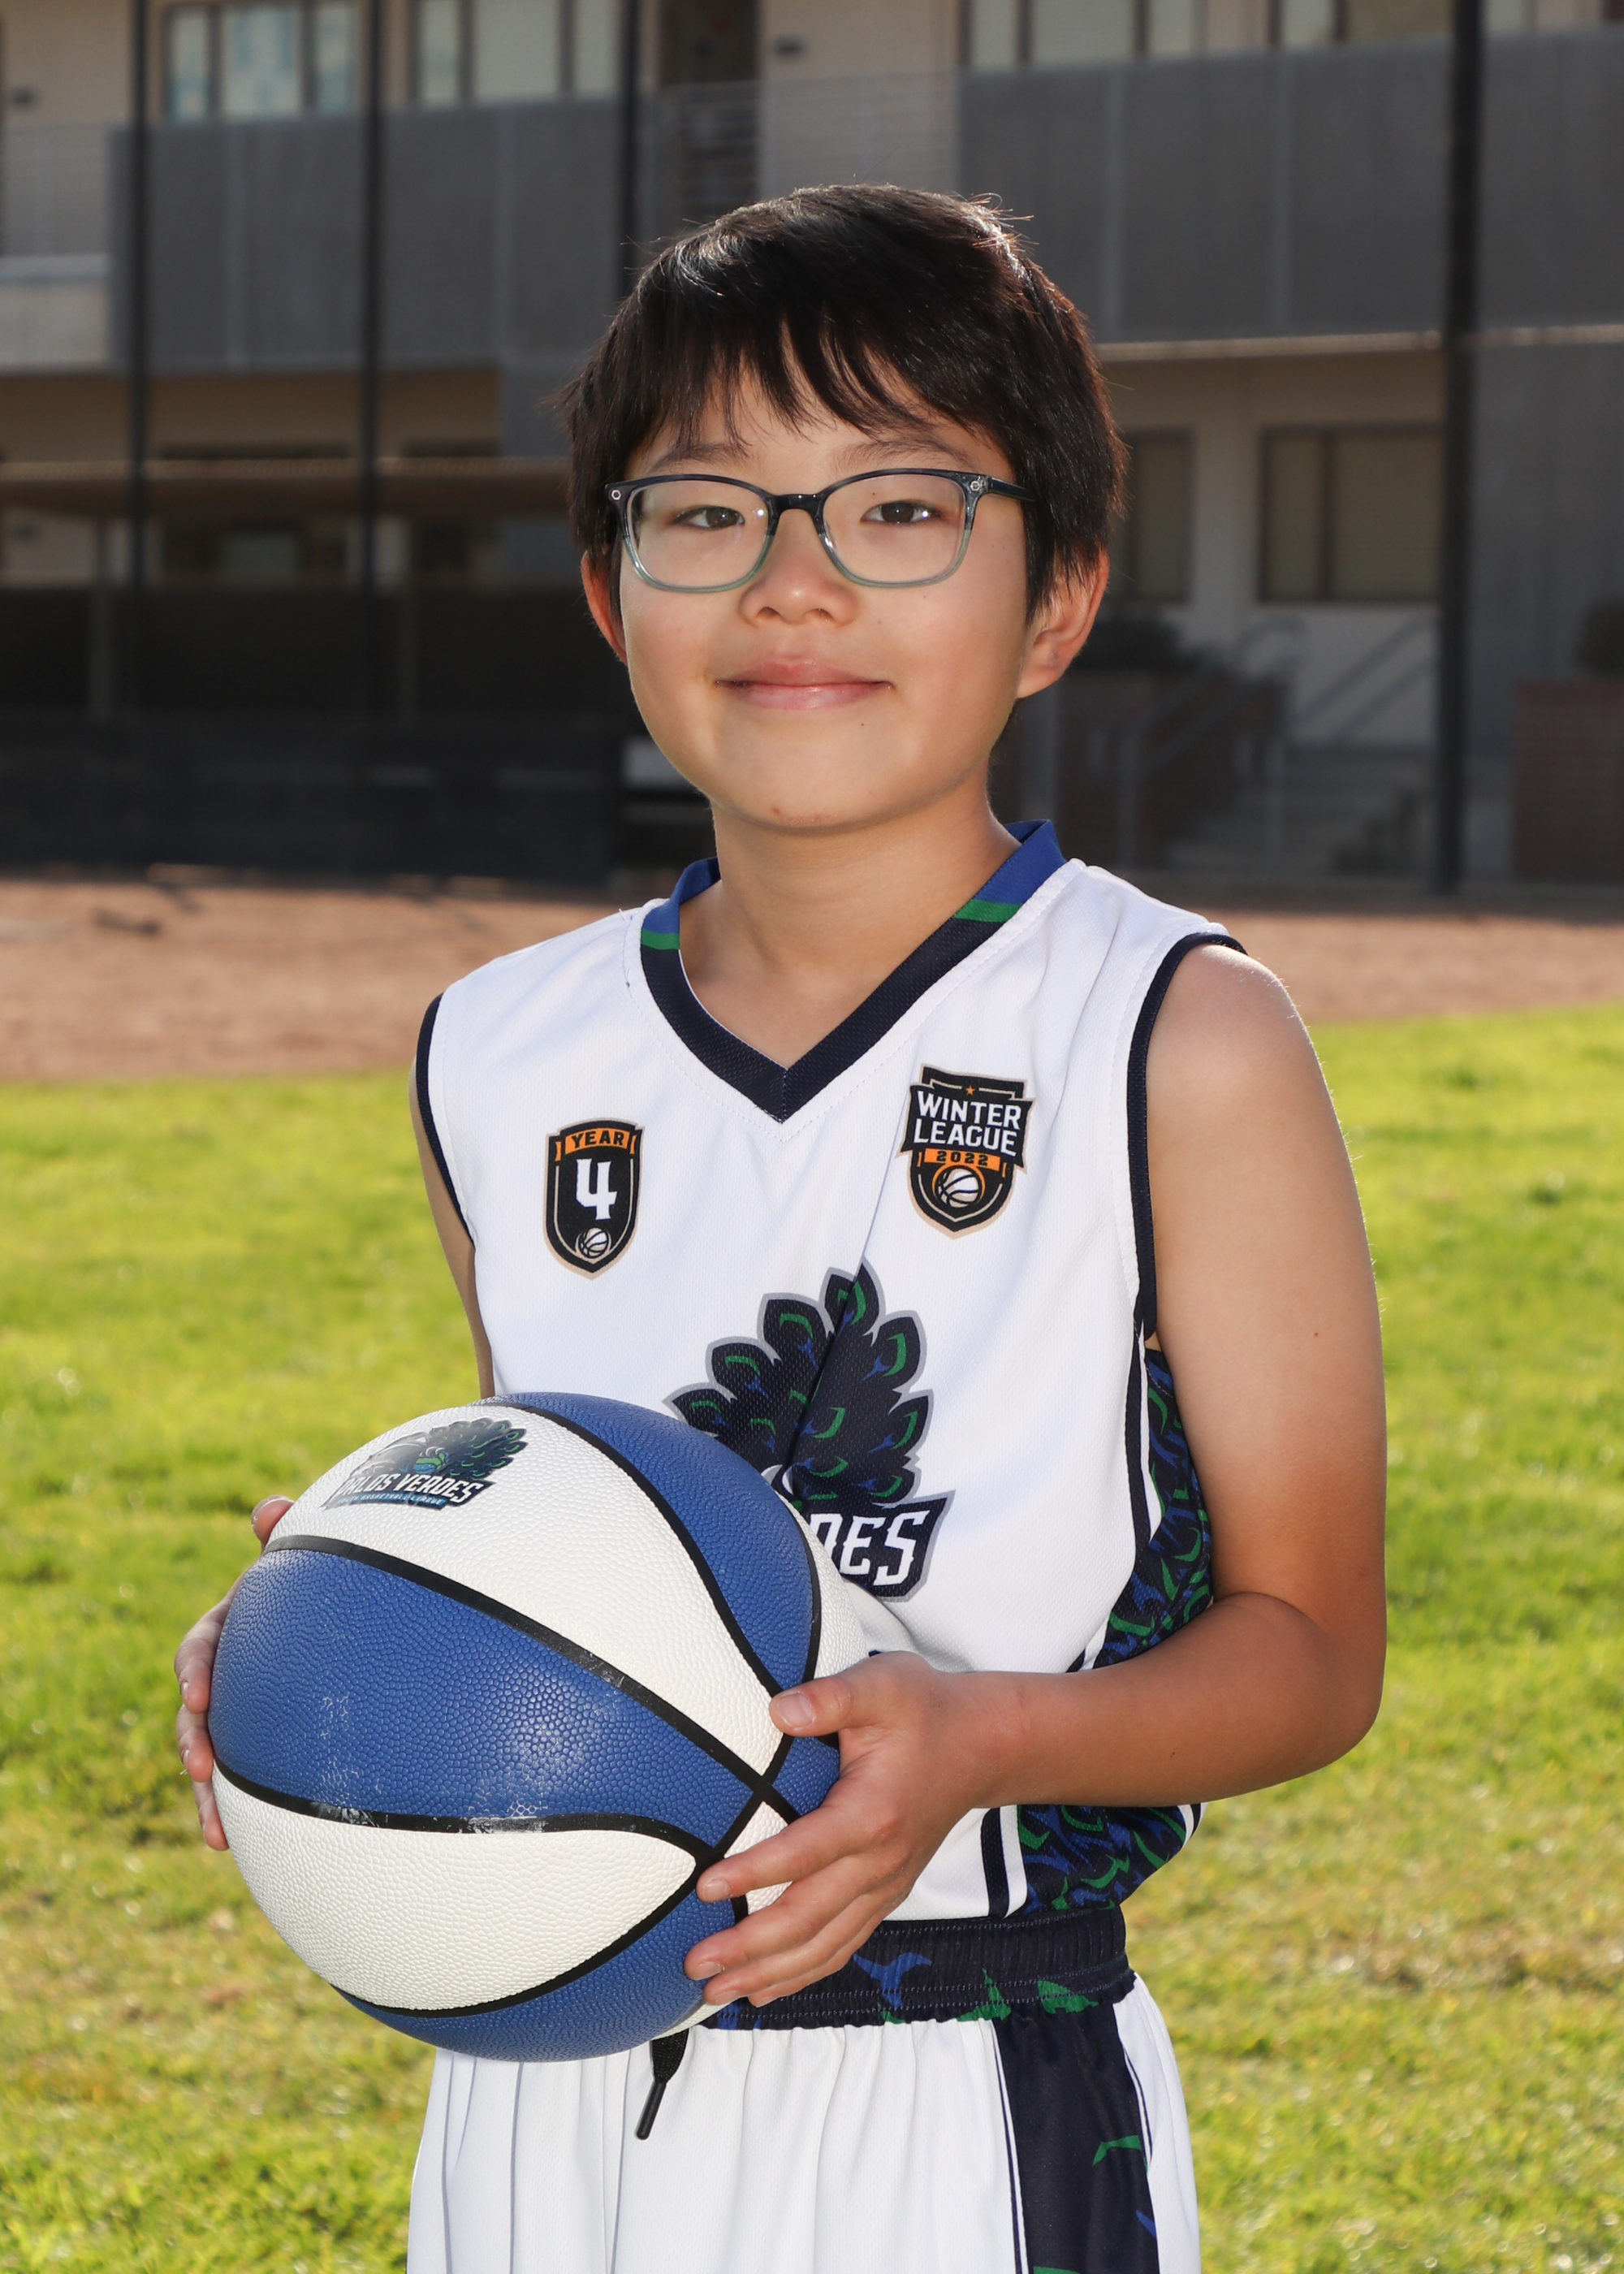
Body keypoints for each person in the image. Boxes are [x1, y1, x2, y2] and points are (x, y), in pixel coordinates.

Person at [173, 185, 1386, 2274]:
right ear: (607, 585)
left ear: (1057, 596)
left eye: (899, 508)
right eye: (708, 510)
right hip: (539, 2073)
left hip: (959, 2081)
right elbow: (587, 1529)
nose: (792, 581)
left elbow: (1312, 1652)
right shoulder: (497, 1046)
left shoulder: (1177, 1034)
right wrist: (355, 1623)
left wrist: (978, 1738)